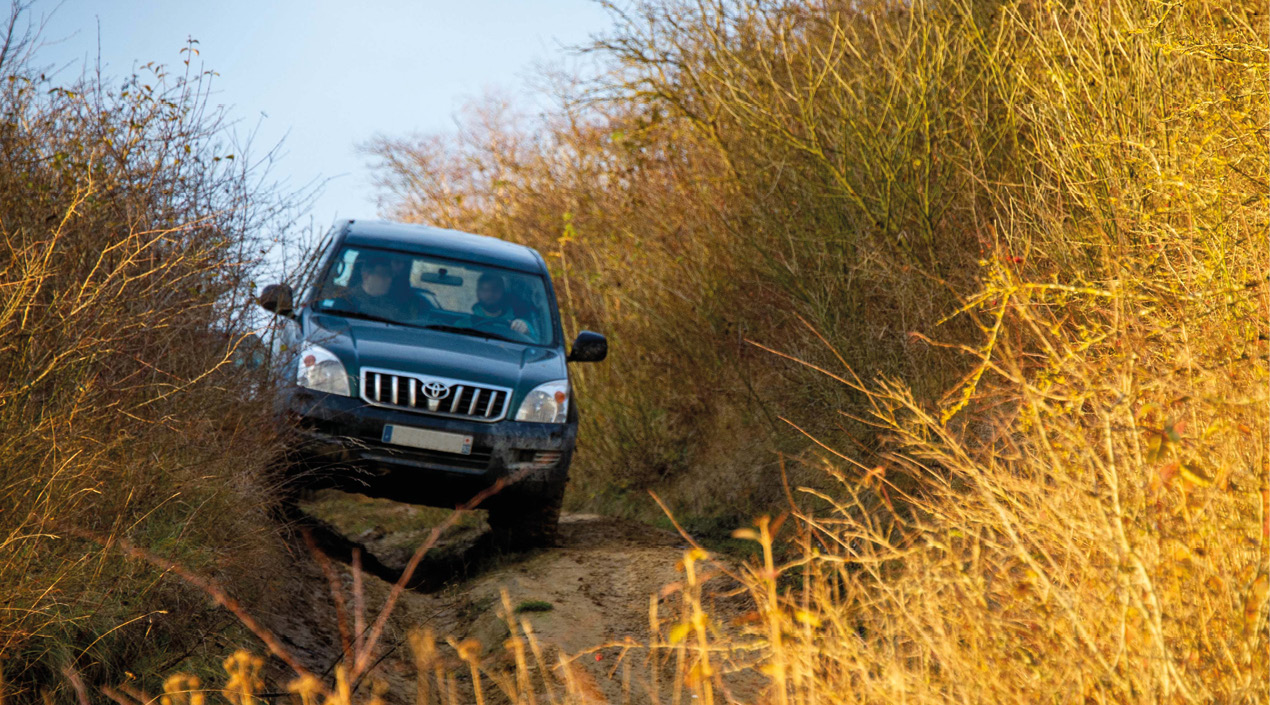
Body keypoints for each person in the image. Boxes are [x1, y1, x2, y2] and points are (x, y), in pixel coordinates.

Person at [341, 253, 422, 321]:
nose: (390, 280)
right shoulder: (347, 300)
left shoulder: (396, 304)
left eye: (390, 275)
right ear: (366, 276)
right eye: (384, 275)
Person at [472, 272, 534, 338]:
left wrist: (526, 329)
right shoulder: (465, 323)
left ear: (503, 291)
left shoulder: (517, 323)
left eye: (495, 289)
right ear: (477, 292)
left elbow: (537, 341)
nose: (490, 294)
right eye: (485, 290)